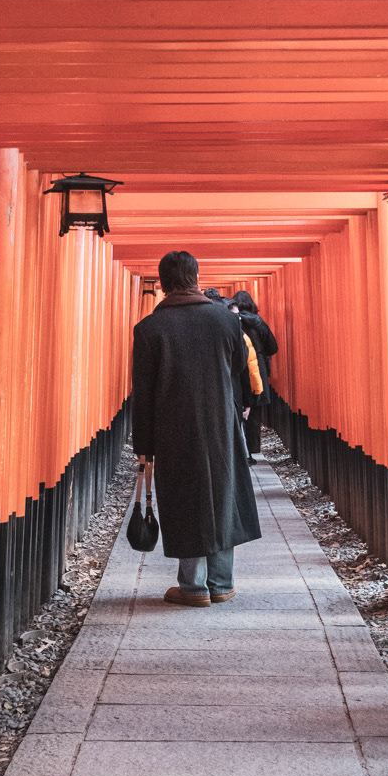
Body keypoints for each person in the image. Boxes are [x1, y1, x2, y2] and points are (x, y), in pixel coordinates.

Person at [131, 250, 261, 605]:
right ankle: (222, 583)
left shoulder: (149, 329)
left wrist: (143, 445)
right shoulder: (225, 321)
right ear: (196, 278)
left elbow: (143, 392)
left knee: (185, 498)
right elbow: (235, 369)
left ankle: (193, 587)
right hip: (220, 422)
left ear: (163, 284)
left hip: (174, 427)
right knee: (223, 492)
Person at [231, 289, 279, 463]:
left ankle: (240, 450)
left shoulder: (232, 321)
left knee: (239, 407)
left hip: (237, 365)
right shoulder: (258, 322)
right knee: (255, 409)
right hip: (257, 364)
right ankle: (253, 448)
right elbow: (273, 347)